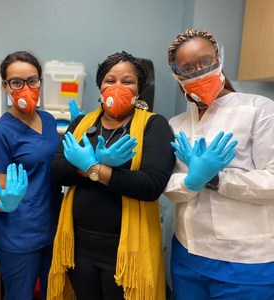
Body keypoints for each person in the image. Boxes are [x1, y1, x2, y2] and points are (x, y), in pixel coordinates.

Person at [47, 51, 175, 300]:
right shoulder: (82, 123)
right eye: (110, 80)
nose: (117, 87)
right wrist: (95, 167)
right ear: (100, 85)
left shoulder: (154, 125)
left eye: (127, 81)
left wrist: (94, 168)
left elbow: (150, 186)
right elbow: (57, 171)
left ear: (139, 89)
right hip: (79, 247)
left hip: (126, 251)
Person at [164, 28, 274, 300]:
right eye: (188, 67)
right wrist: (192, 181)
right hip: (187, 256)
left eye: (205, 61)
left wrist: (217, 180)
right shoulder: (176, 124)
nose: (199, 71)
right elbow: (169, 186)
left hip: (247, 261)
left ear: (219, 59)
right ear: (177, 76)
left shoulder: (259, 109)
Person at [0, 51, 61, 300]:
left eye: (32, 80)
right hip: (18, 234)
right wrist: (5, 202)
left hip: (53, 226)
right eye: (16, 82)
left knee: (54, 293)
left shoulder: (48, 120)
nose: (25, 88)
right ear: (6, 86)